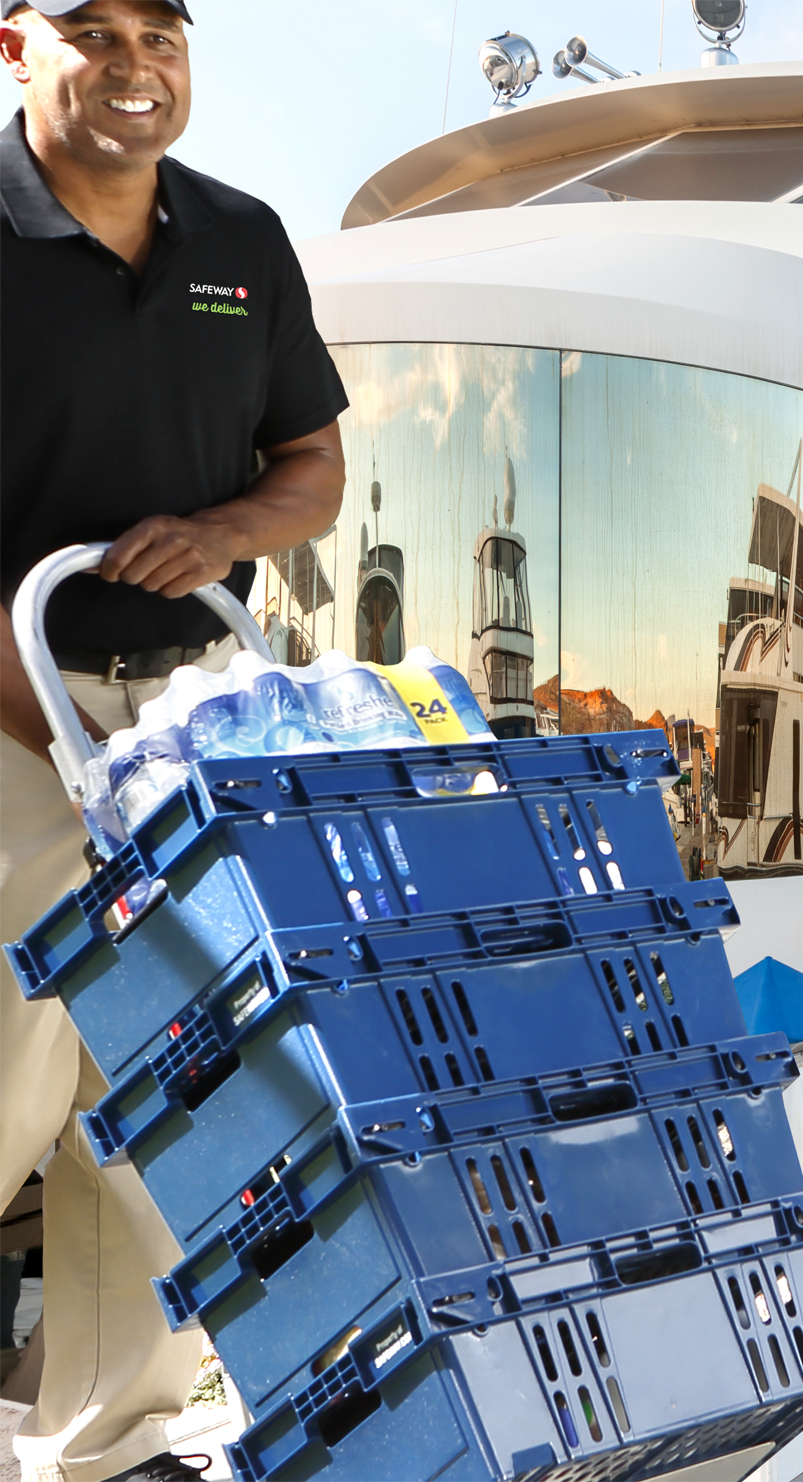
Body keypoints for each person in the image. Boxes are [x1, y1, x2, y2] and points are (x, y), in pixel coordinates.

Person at [0, 3, 347, 1479]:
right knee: (9, 1083)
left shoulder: (243, 240)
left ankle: (108, 1432)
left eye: (164, 28)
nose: (136, 58)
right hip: (15, 716)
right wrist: (62, 735)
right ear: (17, 43)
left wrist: (218, 530)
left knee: (157, 1094)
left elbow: (314, 469)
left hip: (193, 728)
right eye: (95, 26)